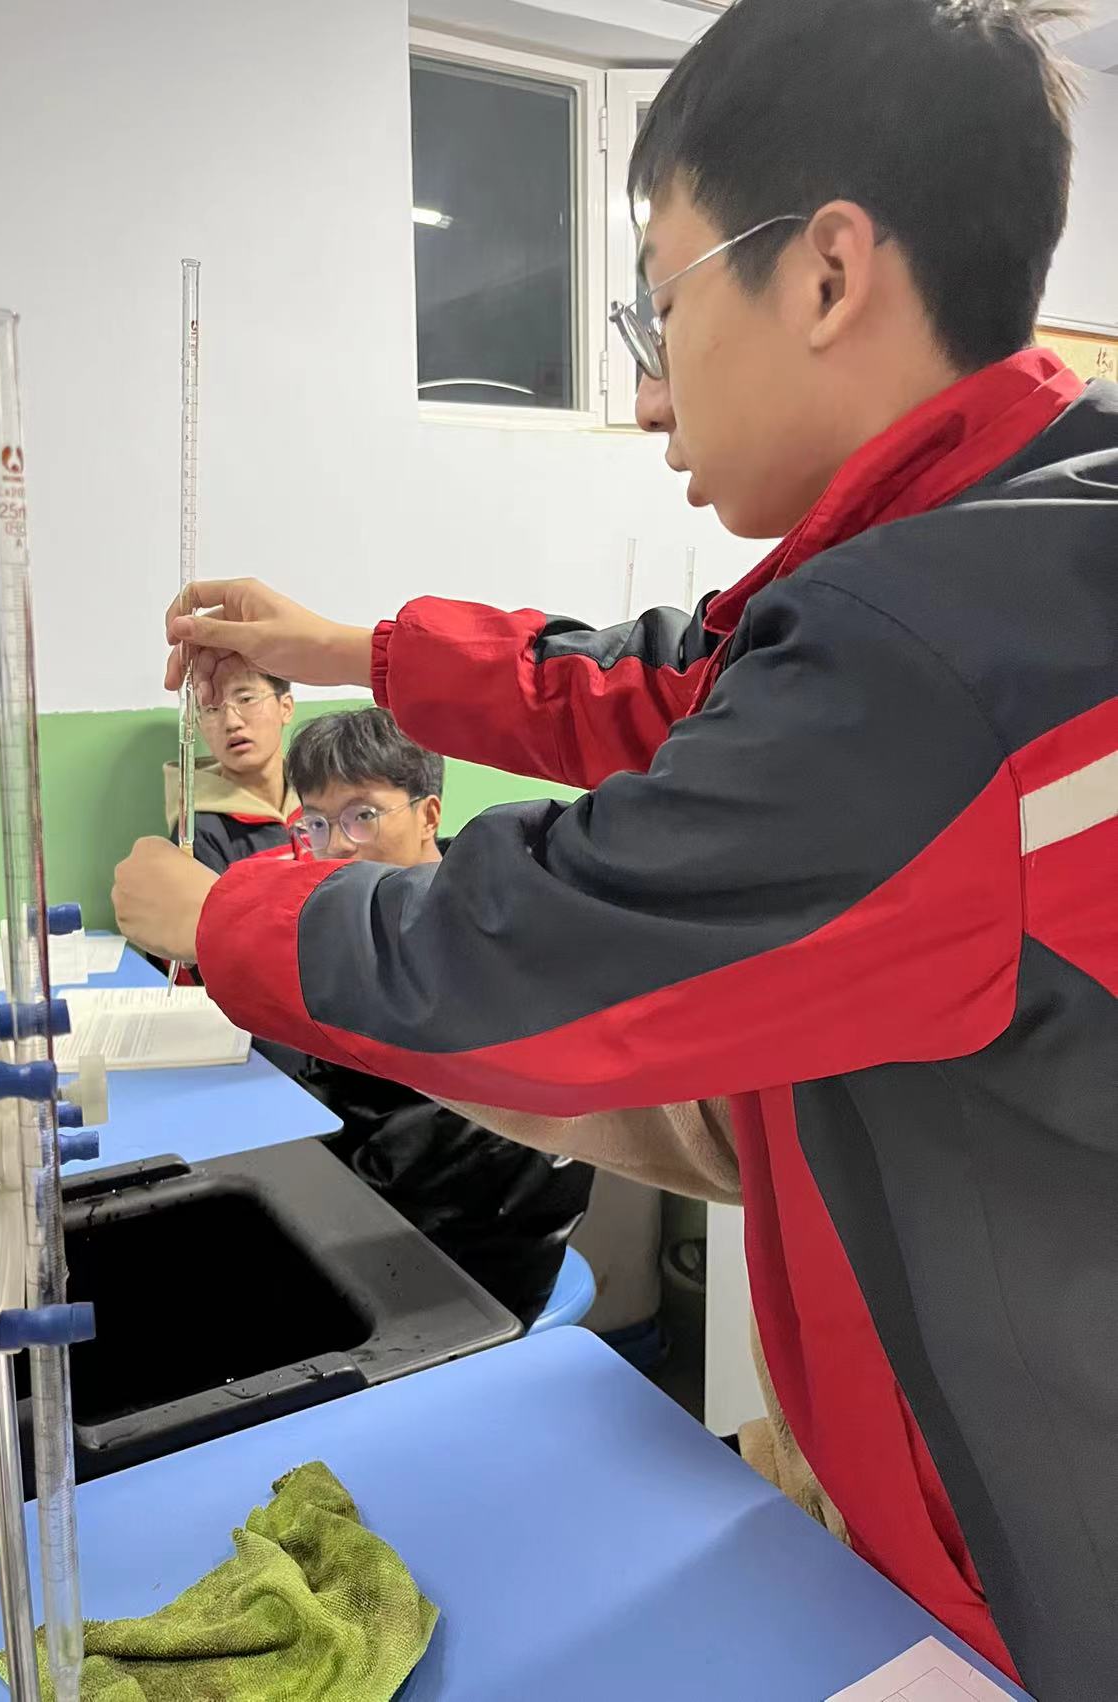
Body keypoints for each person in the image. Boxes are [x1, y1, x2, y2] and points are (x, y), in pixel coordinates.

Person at [113, 2, 1118, 1695]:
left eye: (661, 301)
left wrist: (218, 907)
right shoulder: (1004, 540)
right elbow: (673, 683)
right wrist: (349, 645)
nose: (648, 393)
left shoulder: (935, 665)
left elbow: (516, 960)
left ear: (826, 273)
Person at [276, 706, 594, 1328]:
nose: (336, 844)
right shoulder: (369, 928)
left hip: (473, 1271)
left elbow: (458, 1166)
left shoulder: (488, 938)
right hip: (397, 1219)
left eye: (362, 815)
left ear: (428, 814)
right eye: (316, 822)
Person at [163, 667, 302, 869]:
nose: (231, 722)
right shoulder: (197, 832)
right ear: (199, 726)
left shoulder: (321, 792)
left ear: (285, 707)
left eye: (246, 699)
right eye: (211, 709)